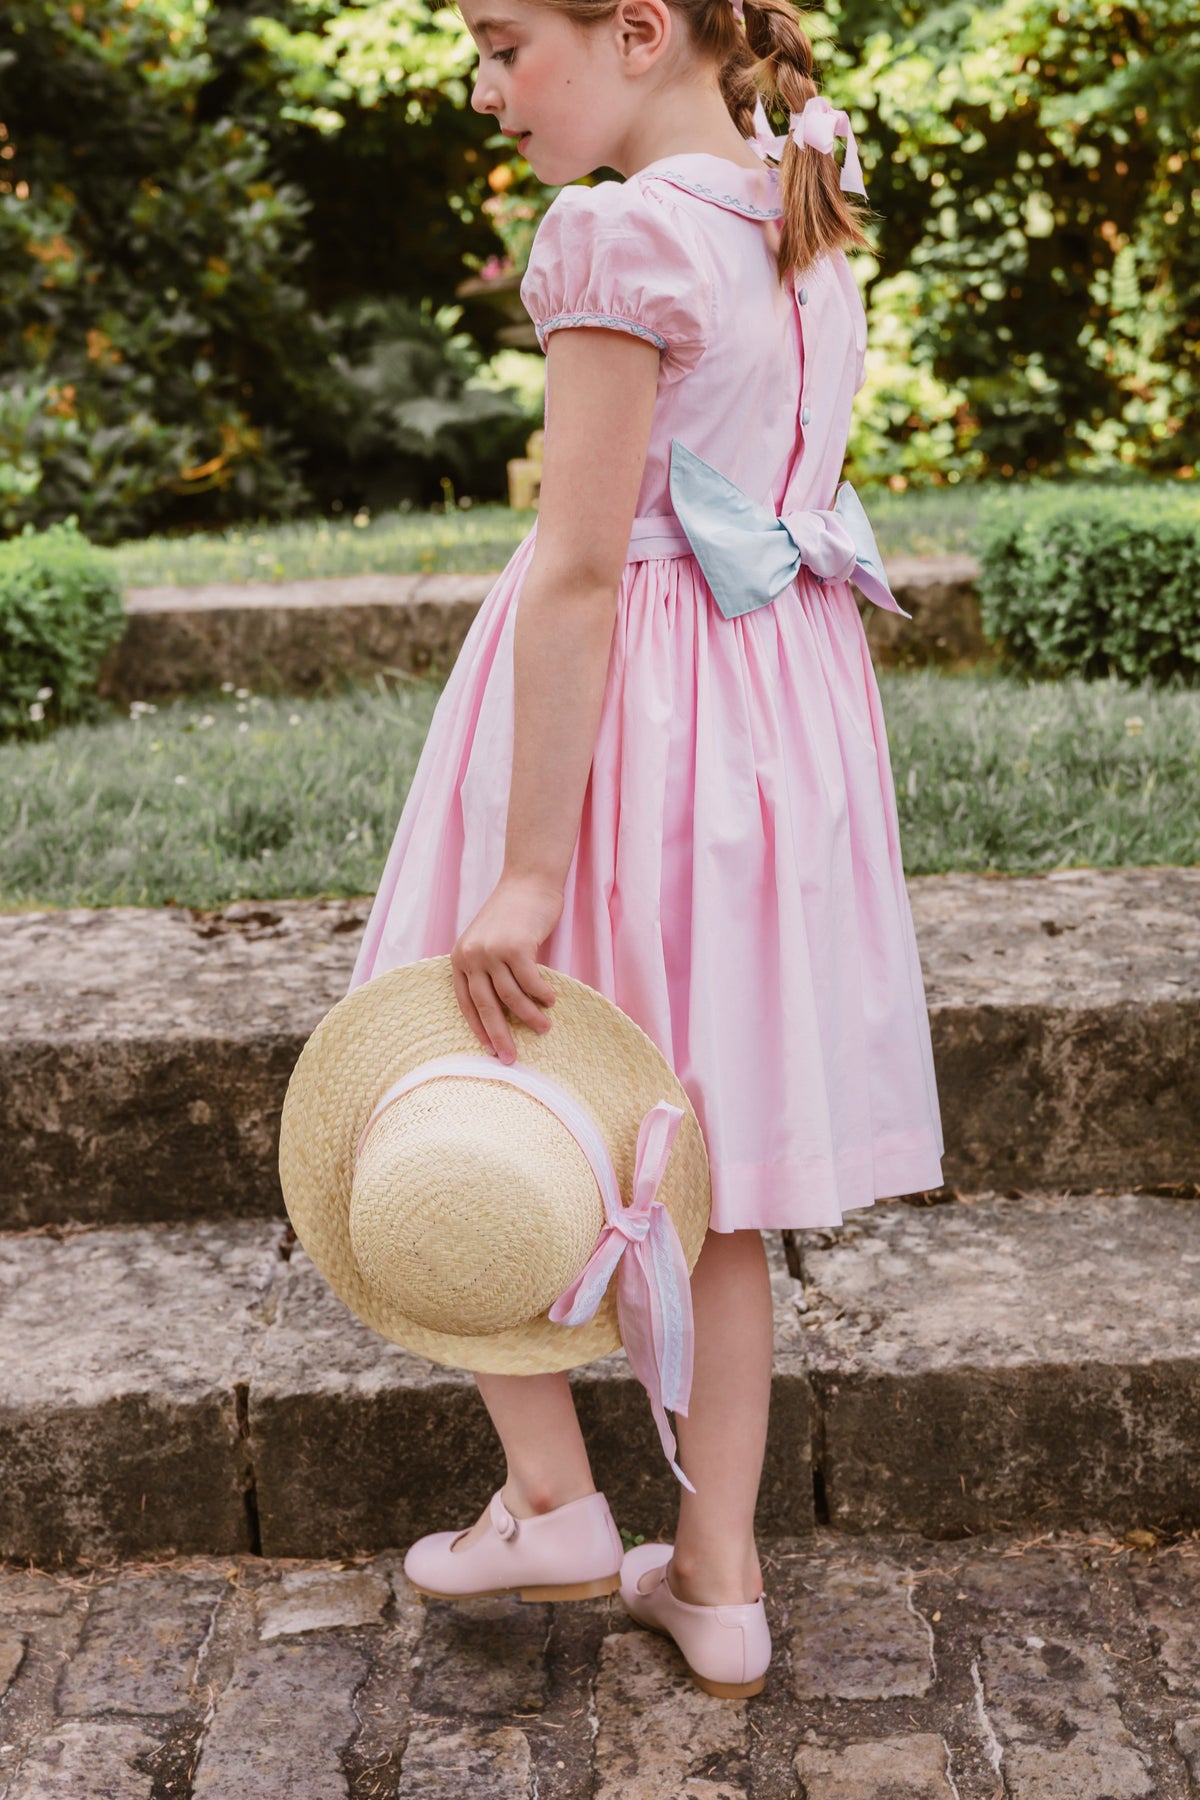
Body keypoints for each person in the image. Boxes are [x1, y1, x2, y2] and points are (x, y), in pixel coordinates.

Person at [345, 0, 944, 1696]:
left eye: (499, 38)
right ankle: (720, 1577)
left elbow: (589, 564)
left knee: (458, 1063)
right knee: (713, 1168)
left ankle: (550, 1494)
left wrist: (529, 865)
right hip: (770, 733)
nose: (483, 83)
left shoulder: (619, 234)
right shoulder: (796, 200)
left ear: (633, 29)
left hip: (627, 722)